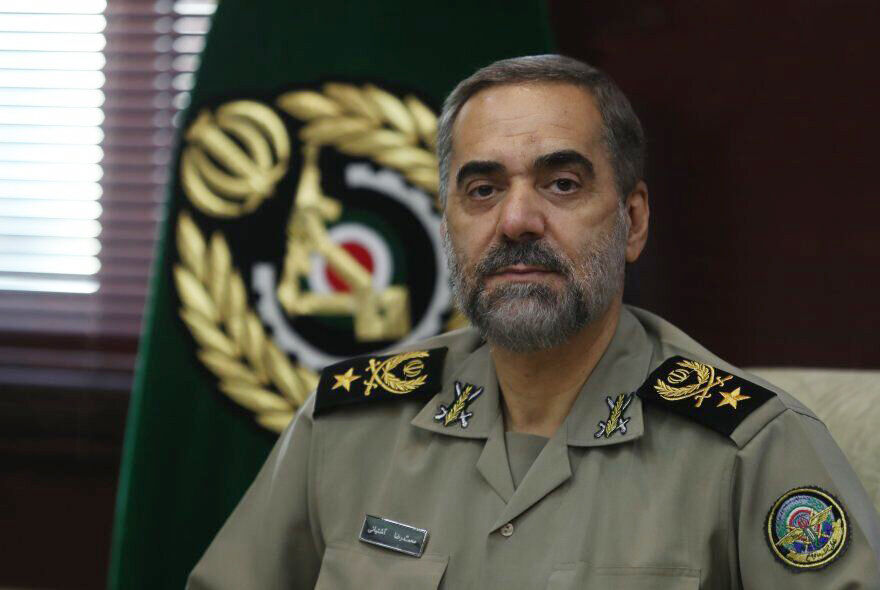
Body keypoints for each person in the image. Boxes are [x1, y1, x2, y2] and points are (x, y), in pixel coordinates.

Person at [187, 55, 880, 589]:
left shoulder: (751, 449)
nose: (516, 220)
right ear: (449, 227)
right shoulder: (346, 428)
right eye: (483, 189)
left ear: (633, 220)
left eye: (562, 183)